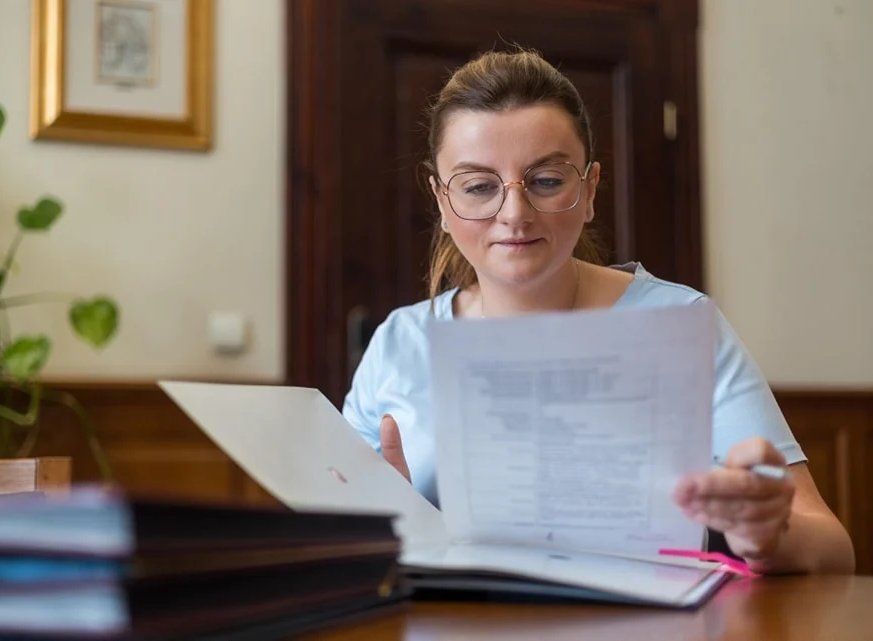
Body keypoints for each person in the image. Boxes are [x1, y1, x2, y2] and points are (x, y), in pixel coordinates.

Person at [342, 48, 855, 575]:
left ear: (588, 190)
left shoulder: (680, 324)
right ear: (443, 203)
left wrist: (767, 536)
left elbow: (834, 549)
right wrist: (372, 534)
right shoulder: (398, 342)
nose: (514, 214)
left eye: (546, 181)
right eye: (478, 187)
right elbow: (333, 540)